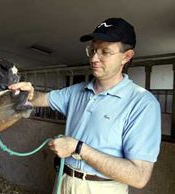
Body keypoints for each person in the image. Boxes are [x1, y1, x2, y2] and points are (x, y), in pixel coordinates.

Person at [9, 17, 161, 194]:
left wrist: (78, 148)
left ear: (126, 57)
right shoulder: (77, 91)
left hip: (101, 188)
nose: (94, 58)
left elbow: (139, 176)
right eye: (93, 50)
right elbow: (41, 99)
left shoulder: (142, 103)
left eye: (105, 52)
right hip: (64, 180)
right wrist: (28, 92)